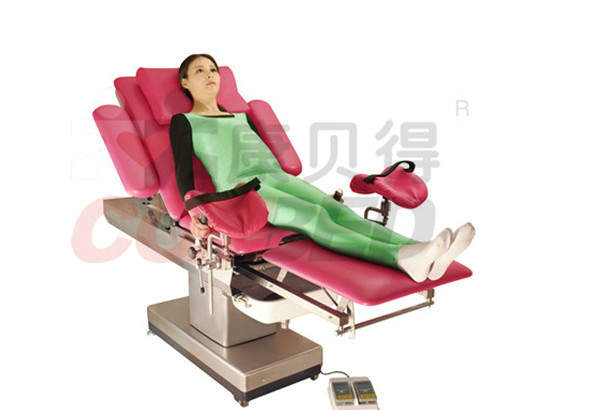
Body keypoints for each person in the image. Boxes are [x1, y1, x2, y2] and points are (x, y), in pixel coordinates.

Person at [169, 53, 475, 282]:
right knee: (314, 217)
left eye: (213, 69)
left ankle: (426, 249)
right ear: (185, 82)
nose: (209, 75)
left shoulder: (241, 116)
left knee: (338, 211)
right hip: (243, 191)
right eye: (199, 71)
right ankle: (401, 257)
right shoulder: (184, 121)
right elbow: (183, 171)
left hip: (276, 178)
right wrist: (195, 213)